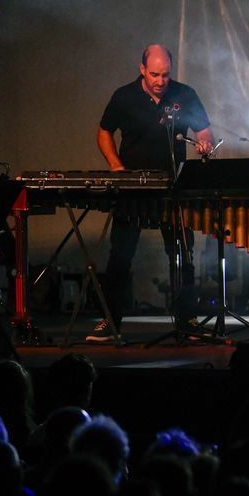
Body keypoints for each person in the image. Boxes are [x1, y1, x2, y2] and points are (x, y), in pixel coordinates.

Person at [92, 44, 213, 341]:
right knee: (120, 256)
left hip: (173, 186)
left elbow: (204, 130)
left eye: (166, 75)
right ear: (142, 69)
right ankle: (111, 321)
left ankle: (187, 319)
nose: (160, 81)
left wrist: (205, 143)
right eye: (155, 74)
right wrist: (115, 166)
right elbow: (104, 131)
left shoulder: (184, 94)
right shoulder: (124, 96)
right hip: (133, 187)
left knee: (182, 254)